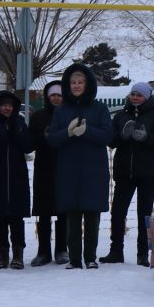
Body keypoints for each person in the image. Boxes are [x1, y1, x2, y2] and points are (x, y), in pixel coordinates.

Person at [46, 62, 114, 268]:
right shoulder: (61, 111)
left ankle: (90, 257)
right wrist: (67, 133)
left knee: (92, 215)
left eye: (80, 82)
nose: (76, 85)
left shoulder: (100, 108)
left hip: (94, 169)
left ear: (88, 84)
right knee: (72, 214)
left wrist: (87, 131)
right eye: (73, 82)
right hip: (69, 170)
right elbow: (52, 140)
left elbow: (108, 136)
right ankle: (74, 259)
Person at [105, 80, 154, 265]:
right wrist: (122, 137)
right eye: (133, 94)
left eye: (139, 94)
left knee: (144, 214)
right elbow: (111, 140)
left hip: (148, 172)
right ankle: (116, 251)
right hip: (125, 171)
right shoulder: (120, 116)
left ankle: (142, 254)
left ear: (147, 97)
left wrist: (146, 138)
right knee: (118, 212)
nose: (135, 97)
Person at [0, 89, 33, 269]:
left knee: (17, 218)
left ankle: (18, 253)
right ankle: (3, 253)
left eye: (10, 105)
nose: (7, 108)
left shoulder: (19, 123)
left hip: (17, 177)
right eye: (3, 105)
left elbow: (28, 146)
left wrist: (16, 133)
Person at [28, 80, 67, 265]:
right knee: (43, 211)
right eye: (53, 95)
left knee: (63, 210)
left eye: (59, 95)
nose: (56, 98)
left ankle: (62, 249)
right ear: (47, 97)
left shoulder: (69, 115)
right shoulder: (38, 117)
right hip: (43, 168)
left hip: (64, 167)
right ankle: (43, 251)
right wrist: (42, 138)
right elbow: (29, 143)